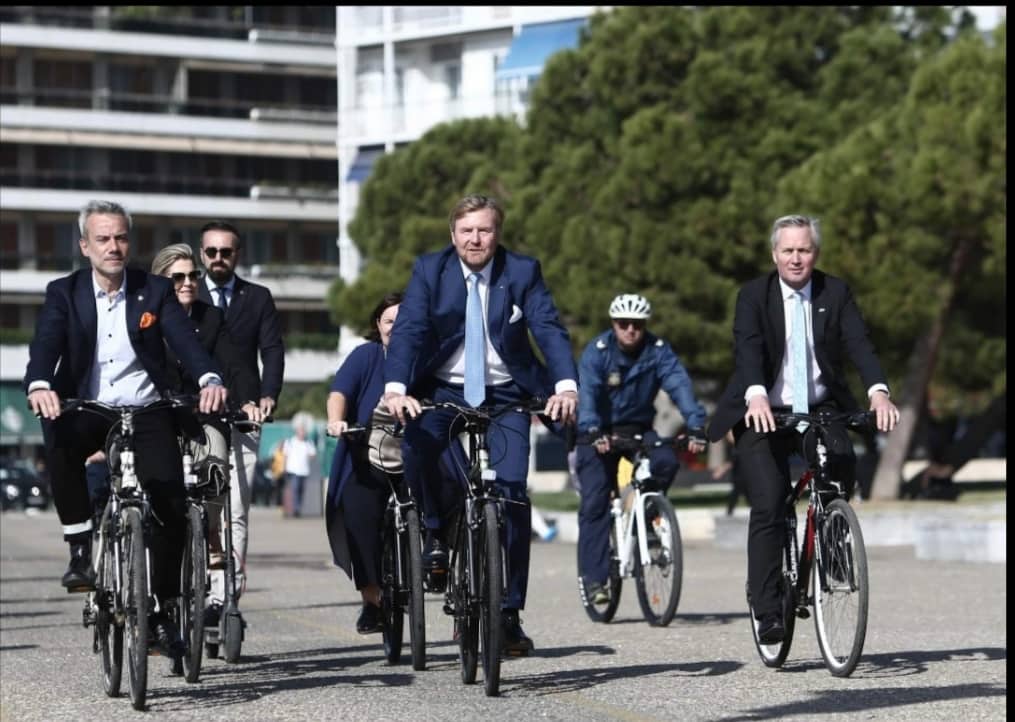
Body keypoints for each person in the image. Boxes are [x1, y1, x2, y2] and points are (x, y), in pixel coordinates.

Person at [24, 199, 228, 659]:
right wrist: (40, 384)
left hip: (146, 407)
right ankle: (79, 549)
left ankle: (161, 607)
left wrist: (208, 378)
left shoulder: (153, 290)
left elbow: (183, 341)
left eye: (120, 238)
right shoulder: (64, 291)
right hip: (88, 405)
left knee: (171, 503)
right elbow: (46, 344)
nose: (113, 247)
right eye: (103, 239)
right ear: (85, 246)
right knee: (57, 440)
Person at [383, 194, 579, 656]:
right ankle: (434, 532)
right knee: (418, 448)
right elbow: (409, 329)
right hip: (443, 390)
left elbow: (548, 328)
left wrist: (565, 385)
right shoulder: (431, 270)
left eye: (485, 230)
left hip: (509, 394)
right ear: (453, 235)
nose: (476, 239)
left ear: (498, 234)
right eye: (467, 230)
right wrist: (396, 387)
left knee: (511, 494)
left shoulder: (522, 271)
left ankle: (508, 612)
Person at [707, 214, 899, 645]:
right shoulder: (754, 295)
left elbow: (860, 345)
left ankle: (832, 544)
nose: (797, 258)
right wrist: (756, 394)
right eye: (788, 250)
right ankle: (767, 605)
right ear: (775, 254)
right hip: (764, 410)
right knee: (771, 502)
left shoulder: (837, 292)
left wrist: (878, 392)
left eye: (805, 250)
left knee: (842, 462)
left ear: (816, 253)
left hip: (819, 405)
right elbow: (748, 348)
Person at [151, 243, 263, 624]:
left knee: (217, 465)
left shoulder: (213, 318)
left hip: (204, 415)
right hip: (160, 415)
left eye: (192, 275)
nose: (187, 283)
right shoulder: (145, 317)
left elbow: (236, 363)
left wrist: (248, 399)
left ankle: (211, 530)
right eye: (177, 277)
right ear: (161, 281)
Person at [574, 293, 707, 604]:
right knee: (595, 502)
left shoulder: (657, 351)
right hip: (598, 433)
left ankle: (648, 514)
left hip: (638, 430)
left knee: (666, 462)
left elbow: (679, 385)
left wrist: (696, 425)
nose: (631, 330)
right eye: (624, 324)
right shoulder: (598, 351)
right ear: (613, 324)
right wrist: (593, 430)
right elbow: (589, 393)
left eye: (637, 324)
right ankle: (595, 581)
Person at [197, 221, 285, 606]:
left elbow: (272, 350)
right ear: (202, 254)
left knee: (238, 504)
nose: (218, 258)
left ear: (238, 255)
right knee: (204, 502)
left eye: (226, 252)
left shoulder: (258, 297)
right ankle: (198, 583)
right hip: (197, 411)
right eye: (211, 251)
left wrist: (269, 395)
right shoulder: (186, 292)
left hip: (247, 411)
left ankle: (226, 592)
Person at [325, 291, 402, 634]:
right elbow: (339, 392)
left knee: (453, 492)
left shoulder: (427, 355)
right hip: (367, 455)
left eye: (404, 322)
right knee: (356, 510)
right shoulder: (366, 355)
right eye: (389, 322)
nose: (396, 329)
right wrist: (337, 421)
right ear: (378, 325)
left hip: (417, 454)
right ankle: (372, 600)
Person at [282, 418, 317, 517]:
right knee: (294, 489)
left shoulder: (308, 442)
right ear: (297, 431)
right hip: (292, 470)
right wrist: (284, 468)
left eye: (304, 431)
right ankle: (294, 510)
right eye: (301, 431)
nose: (302, 433)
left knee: (300, 491)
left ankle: (297, 509)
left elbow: (313, 454)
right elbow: (285, 455)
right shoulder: (290, 442)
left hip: (304, 471)